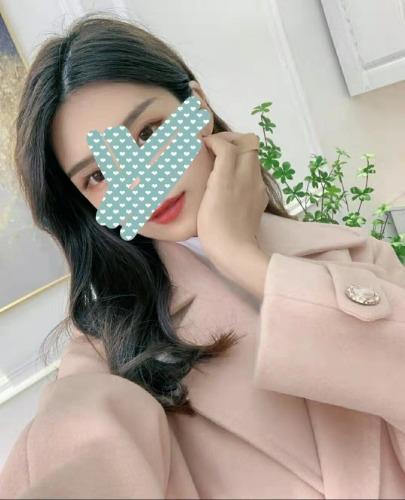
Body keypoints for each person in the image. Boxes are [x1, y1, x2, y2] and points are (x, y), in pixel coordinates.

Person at [1, 13, 405, 500]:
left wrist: (243, 258)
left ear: (199, 106)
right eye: (99, 175)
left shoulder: (355, 257)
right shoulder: (106, 354)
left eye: (148, 133)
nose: (141, 182)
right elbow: (85, 453)